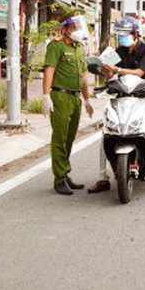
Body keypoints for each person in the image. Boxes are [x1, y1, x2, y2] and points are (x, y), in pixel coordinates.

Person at [88, 17, 145, 193]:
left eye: (125, 35)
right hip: (122, 96)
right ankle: (103, 178)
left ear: (135, 34)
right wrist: (103, 68)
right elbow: (109, 75)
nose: (122, 38)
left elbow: (140, 72)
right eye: (120, 35)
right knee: (107, 133)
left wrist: (118, 70)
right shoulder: (117, 52)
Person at [42, 13, 94, 195]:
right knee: (60, 138)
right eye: (74, 25)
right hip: (61, 96)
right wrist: (45, 95)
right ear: (65, 27)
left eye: (79, 25)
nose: (77, 29)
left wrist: (87, 99)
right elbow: (50, 70)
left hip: (75, 98)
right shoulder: (56, 46)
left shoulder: (79, 48)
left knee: (70, 137)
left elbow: (83, 76)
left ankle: (65, 173)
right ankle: (59, 178)